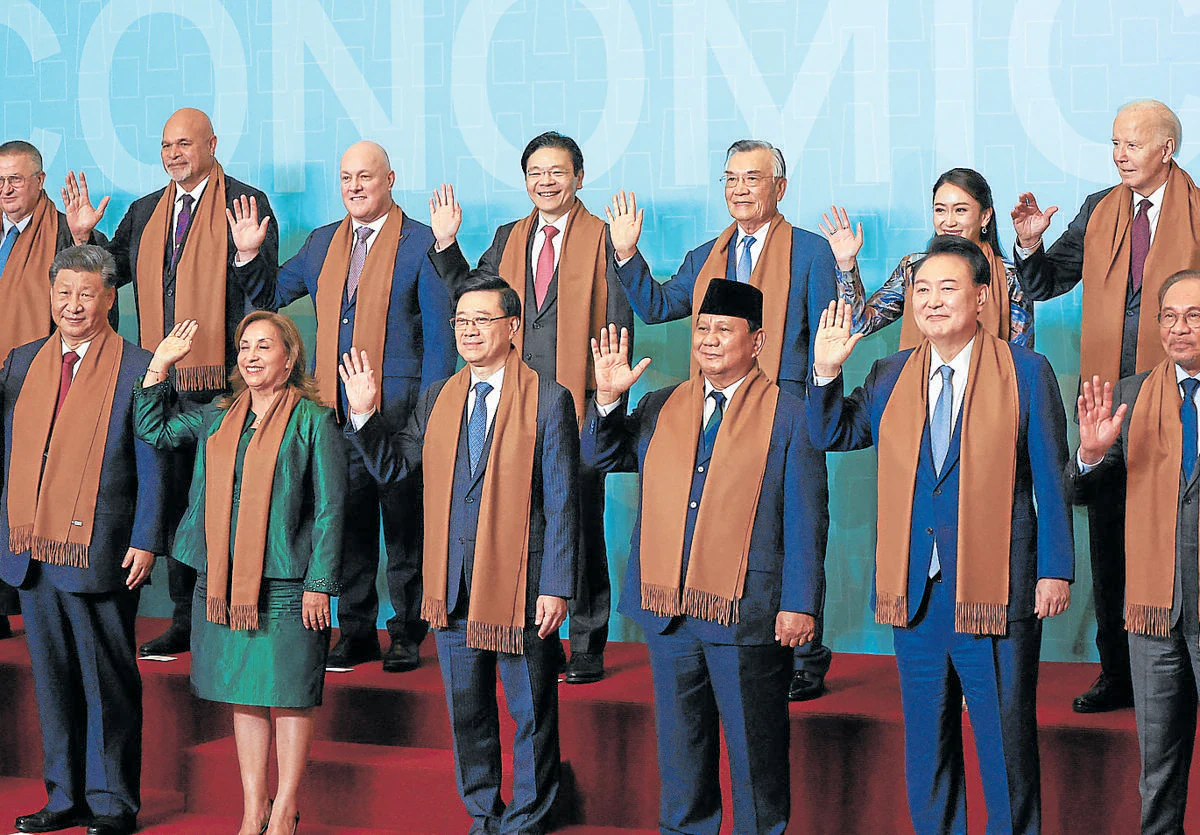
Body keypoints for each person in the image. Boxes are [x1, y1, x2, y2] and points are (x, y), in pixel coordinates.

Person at [808, 235, 1074, 834]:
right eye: (920, 290)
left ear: (982, 297)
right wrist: (825, 372)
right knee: (926, 750)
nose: (930, 301)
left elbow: (1051, 480)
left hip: (997, 591)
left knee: (1005, 751)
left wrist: (1055, 568)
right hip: (917, 594)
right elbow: (832, 434)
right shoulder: (889, 372)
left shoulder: (1026, 372)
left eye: (947, 288)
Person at [582, 279, 827, 834]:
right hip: (669, 613)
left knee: (755, 757)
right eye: (701, 329)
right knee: (682, 754)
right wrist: (607, 401)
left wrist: (800, 606)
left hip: (749, 610)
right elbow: (598, 458)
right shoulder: (660, 404)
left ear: (757, 340)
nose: (709, 340)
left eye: (723, 329)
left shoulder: (790, 415)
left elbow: (808, 518)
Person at [340, 272, 579, 834]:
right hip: (450, 584)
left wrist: (558, 585)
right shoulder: (439, 396)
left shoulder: (549, 399)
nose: (469, 332)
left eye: (482, 320)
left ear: (513, 327)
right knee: (467, 712)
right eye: (461, 322)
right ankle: (482, 814)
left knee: (530, 712)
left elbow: (564, 501)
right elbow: (396, 468)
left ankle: (526, 819)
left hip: (521, 582)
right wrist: (364, 417)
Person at [605, 138, 837, 701]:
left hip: (780, 416)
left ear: (779, 188)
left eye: (752, 178)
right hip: (712, 412)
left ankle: (804, 653)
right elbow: (660, 306)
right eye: (730, 178)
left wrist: (812, 410)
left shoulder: (810, 252)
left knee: (790, 526)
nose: (739, 188)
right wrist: (628, 257)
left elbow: (828, 337)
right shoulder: (706, 254)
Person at [62, 107, 279, 659]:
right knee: (175, 500)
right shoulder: (146, 210)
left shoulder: (245, 204)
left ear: (212, 143)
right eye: (165, 145)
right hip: (163, 383)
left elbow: (265, 299)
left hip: (225, 385)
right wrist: (85, 235)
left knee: (223, 500)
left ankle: (232, 608)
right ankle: (185, 615)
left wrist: (248, 253)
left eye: (184, 143)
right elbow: (110, 274)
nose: (173, 154)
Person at [1010, 99, 1200, 714]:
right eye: (1114, 142)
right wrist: (1030, 246)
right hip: (1107, 402)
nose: (1119, 154)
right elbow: (1045, 284)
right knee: (1110, 536)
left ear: (1166, 150)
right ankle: (1118, 672)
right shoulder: (1098, 210)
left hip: (1179, 398)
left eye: (1132, 144)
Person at [428, 131, 629, 683]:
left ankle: (586, 640)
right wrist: (447, 249)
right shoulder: (507, 236)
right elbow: (474, 295)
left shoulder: (605, 238)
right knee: (512, 518)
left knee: (577, 520)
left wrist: (607, 409)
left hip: (576, 409)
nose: (546, 181)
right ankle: (514, 620)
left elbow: (619, 327)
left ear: (579, 177)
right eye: (536, 172)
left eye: (557, 171)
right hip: (506, 405)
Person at [134, 311, 345, 835]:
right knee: (245, 692)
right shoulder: (217, 414)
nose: (250, 356)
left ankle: (286, 807)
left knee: (290, 694)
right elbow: (153, 428)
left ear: (289, 357)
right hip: (223, 582)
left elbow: (331, 510)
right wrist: (160, 365)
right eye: (244, 347)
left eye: (263, 347)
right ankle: (253, 807)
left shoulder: (314, 420)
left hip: (288, 583)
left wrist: (320, 583)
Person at [262, 140, 456, 671]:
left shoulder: (421, 243)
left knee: (403, 528)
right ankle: (356, 629)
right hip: (332, 410)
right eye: (346, 177)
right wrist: (247, 255)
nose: (354, 186)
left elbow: (440, 339)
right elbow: (270, 294)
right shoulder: (322, 241)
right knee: (345, 523)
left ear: (390, 179)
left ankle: (407, 632)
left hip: (399, 415)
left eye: (365, 176)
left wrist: (430, 414)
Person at [0, 245, 167, 835]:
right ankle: (63, 794)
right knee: (52, 681)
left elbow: (154, 463)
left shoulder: (137, 365)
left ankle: (112, 801)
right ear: (50, 295)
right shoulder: (22, 361)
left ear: (109, 297)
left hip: (102, 546)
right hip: (33, 550)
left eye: (86, 294)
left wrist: (147, 537)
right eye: (64, 292)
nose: (73, 305)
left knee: (107, 680)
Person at [1069, 270, 1200, 833]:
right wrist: (1092, 455)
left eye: (1194, 315)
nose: (1179, 328)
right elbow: (1081, 493)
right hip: (1151, 615)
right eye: (1169, 316)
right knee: (1159, 770)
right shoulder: (1128, 395)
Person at [0, 139, 110, 639]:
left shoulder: (62, 230)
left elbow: (96, 283)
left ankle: (31, 593)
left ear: (40, 182)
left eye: (16, 179)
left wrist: (84, 234)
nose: (5, 189)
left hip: (38, 382)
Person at [821, 167, 1034, 347]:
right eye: (940, 210)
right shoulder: (913, 268)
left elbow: (1022, 358)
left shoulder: (1010, 276)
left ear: (985, 216)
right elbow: (859, 325)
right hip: (920, 390)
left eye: (960, 210)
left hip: (991, 391)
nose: (948, 222)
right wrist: (846, 263)